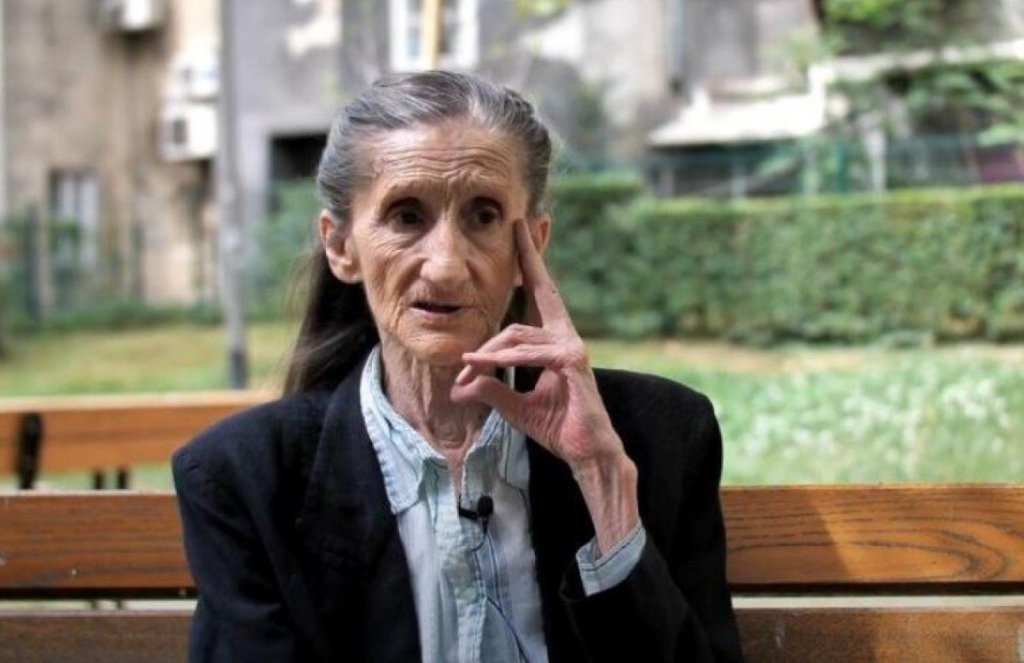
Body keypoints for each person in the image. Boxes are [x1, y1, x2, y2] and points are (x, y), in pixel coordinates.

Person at [173, 70, 743, 663]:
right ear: (341, 246)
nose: (445, 266)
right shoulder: (245, 478)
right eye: (406, 216)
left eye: (484, 216)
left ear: (531, 246)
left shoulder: (660, 438)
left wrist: (603, 481)